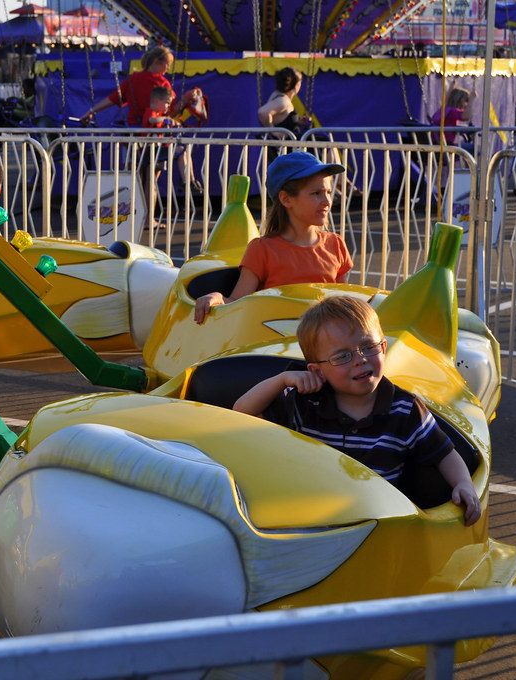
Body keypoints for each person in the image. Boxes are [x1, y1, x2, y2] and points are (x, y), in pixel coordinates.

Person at [232, 295, 481, 526]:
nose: (360, 359)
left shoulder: (405, 409)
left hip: (377, 525)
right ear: (317, 371)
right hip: (308, 517)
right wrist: (281, 380)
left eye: (368, 347)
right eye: (342, 357)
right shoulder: (304, 401)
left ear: (383, 348)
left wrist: (463, 484)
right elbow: (240, 413)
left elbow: (443, 453)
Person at [194, 151, 352, 324]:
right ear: (286, 199)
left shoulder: (335, 244)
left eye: (329, 192)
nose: (327, 201)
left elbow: (343, 302)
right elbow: (238, 302)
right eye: (316, 193)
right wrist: (217, 297)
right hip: (275, 345)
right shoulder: (262, 249)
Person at [81, 46, 186, 126]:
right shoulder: (163, 83)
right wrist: (186, 99)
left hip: (134, 131)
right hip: (154, 132)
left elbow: (113, 98)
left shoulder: (133, 79)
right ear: (156, 62)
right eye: (167, 64)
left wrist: (91, 111)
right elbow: (170, 112)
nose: (168, 68)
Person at [257, 67, 309, 134]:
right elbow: (262, 112)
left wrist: (298, 122)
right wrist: (274, 132)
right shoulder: (283, 101)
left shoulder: (279, 95)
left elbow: (281, 120)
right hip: (283, 143)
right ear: (297, 85)